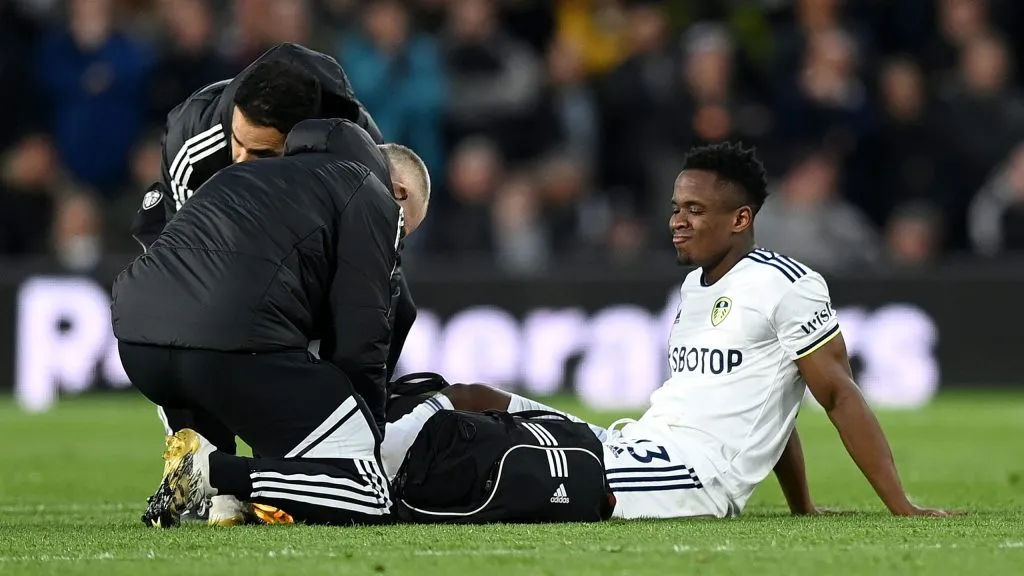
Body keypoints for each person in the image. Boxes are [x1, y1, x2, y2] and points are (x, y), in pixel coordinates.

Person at [373, 142, 948, 520]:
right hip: (640, 444)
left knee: (513, 460)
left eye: (695, 210)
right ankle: (355, 461)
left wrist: (901, 506)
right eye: (676, 207)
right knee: (474, 397)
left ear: (740, 219)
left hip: (693, 476)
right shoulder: (696, 289)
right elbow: (775, 410)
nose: (677, 220)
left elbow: (837, 393)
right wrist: (804, 509)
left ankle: (373, 495)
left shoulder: (788, 284)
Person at [130, 43, 420, 525]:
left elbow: (374, 295)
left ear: (304, 141)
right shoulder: (195, 139)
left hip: (245, 305)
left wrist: (356, 410)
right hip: (198, 303)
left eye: (261, 152)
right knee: (191, 320)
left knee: (390, 310)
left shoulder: (354, 147)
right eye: (235, 146)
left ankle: (255, 470)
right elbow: (181, 272)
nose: (241, 162)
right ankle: (214, 473)